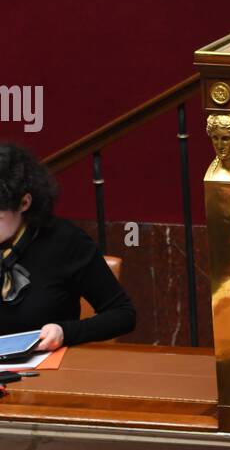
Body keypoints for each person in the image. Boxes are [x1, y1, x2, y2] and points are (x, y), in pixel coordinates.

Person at [0, 143, 136, 349]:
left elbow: (123, 314)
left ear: (24, 203)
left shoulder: (65, 241)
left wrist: (65, 332)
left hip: (47, 373)